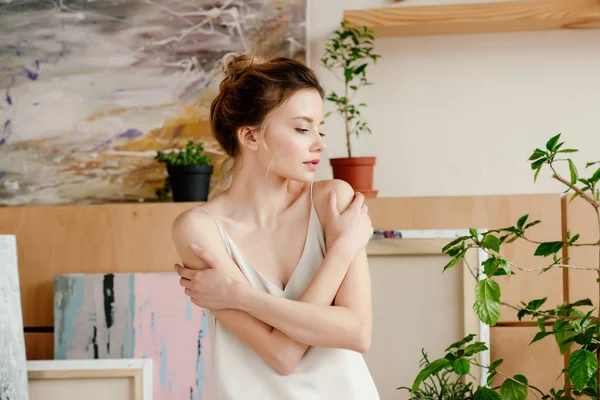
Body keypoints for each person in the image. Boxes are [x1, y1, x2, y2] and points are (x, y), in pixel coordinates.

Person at [171, 53, 380, 400]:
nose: (320, 143)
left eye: (320, 128)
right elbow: (282, 356)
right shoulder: (199, 229)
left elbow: (358, 332)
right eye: (302, 128)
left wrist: (241, 296)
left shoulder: (332, 200)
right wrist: (341, 250)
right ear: (251, 137)